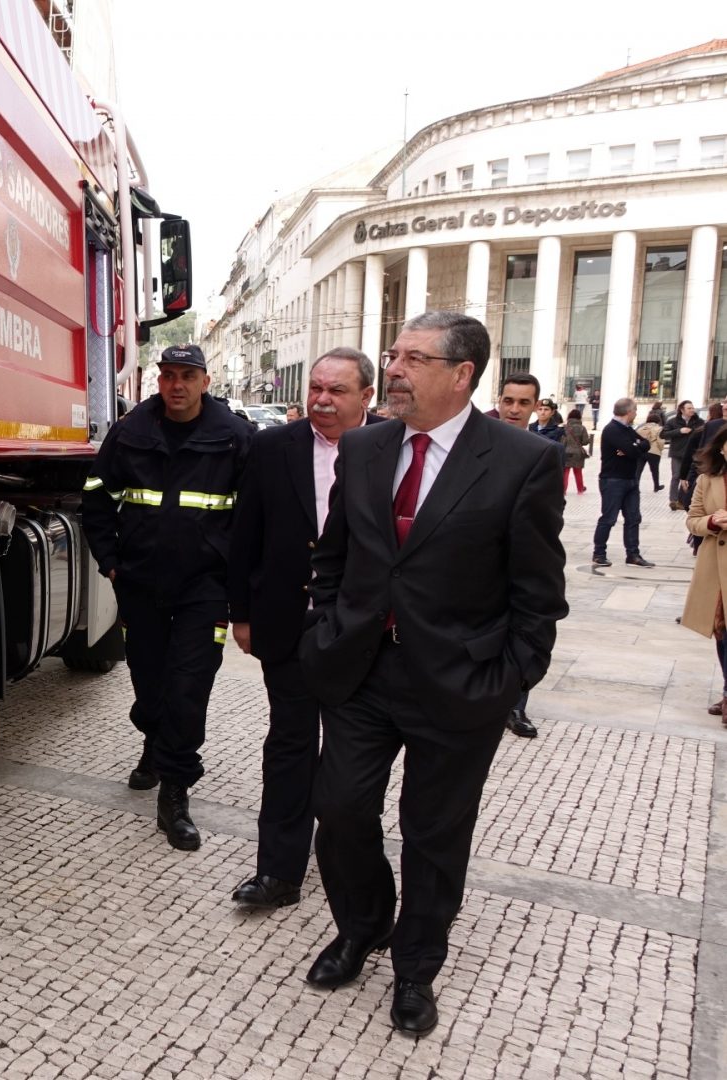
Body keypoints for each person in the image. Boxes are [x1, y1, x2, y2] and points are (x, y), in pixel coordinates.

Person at [297, 311, 567, 1035]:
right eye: (394, 355)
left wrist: (511, 680)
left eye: (413, 358)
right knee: (343, 809)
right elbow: (334, 555)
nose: (393, 370)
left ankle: (416, 968)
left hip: (459, 682)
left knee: (434, 833)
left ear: (461, 374)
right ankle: (362, 925)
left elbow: (538, 593)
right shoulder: (365, 447)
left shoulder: (521, 460)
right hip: (361, 670)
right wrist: (326, 624)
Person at [228, 347, 382, 910]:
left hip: (359, 631)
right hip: (286, 623)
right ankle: (278, 872)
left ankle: (345, 861)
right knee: (290, 744)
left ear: (367, 396)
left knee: (350, 757)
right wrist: (240, 613)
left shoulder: (390, 449)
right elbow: (245, 534)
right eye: (316, 388)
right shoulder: (272, 447)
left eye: (336, 391)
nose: (320, 400)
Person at [81, 343, 250, 852]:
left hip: (205, 587)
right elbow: (95, 494)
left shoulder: (235, 437)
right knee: (150, 683)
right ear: (159, 380)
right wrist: (109, 560)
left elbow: (253, 515)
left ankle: (175, 791)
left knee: (188, 685)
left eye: (187, 376)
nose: (176, 385)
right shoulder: (130, 432)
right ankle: (154, 740)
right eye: (168, 375)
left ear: (205, 380)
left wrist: (237, 583)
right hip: (142, 582)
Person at [491, 373, 551, 739]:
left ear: (535, 407)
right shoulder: (479, 442)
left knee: (522, 631)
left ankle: (516, 705)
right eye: (508, 400)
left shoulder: (544, 451)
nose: (514, 409)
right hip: (482, 562)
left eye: (523, 403)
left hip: (522, 560)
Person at [683, 423, 727, 722]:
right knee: (722, 633)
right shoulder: (707, 480)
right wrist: (712, 521)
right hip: (716, 566)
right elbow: (692, 520)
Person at [593, 398, 656, 568]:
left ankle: (633, 554)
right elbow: (632, 450)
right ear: (629, 411)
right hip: (613, 480)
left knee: (633, 518)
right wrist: (633, 448)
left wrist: (635, 447)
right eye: (635, 410)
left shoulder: (627, 429)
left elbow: (645, 444)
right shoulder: (612, 429)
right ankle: (599, 553)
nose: (636, 413)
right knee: (609, 518)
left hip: (630, 480)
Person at [663, 401, 700, 510]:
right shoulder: (673, 421)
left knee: (689, 477)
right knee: (676, 476)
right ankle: (673, 500)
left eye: (692, 408)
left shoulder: (698, 422)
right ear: (682, 410)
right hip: (677, 453)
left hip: (692, 454)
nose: (692, 410)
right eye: (689, 408)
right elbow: (663, 434)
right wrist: (679, 431)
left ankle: (684, 500)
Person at [636, 405, 665, 493]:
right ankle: (656, 486)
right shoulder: (659, 428)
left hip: (641, 451)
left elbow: (636, 440)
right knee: (655, 470)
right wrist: (660, 449)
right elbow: (660, 441)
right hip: (654, 451)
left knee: (638, 470)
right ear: (658, 421)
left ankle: (636, 487)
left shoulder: (640, 429)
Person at [563, 408, 592, 494]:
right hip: (578, 453)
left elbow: (562, 441)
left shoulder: (565, 427)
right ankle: (580, 489)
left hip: (566, 451)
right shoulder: (582, 428)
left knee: (565, 472)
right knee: (578, 472)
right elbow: (585, 441)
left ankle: (563, 490)